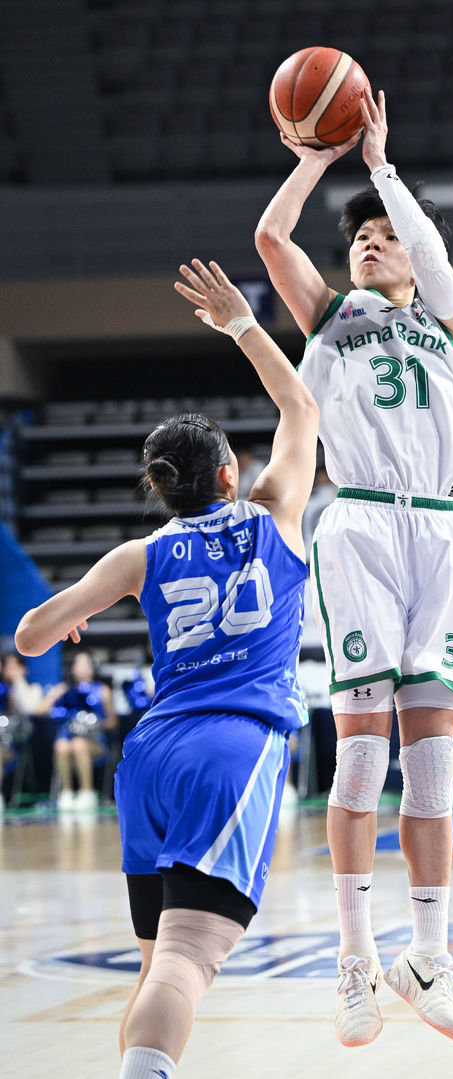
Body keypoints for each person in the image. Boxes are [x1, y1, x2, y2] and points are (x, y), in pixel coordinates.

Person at [15, 260, 319, 1079]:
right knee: (188, 961)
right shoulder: (274, 515)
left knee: (157, 964)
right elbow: (301, 405)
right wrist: (240, 324)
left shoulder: (140, 554)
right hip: (233, 746)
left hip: (150, 755)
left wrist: (76, 614)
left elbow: (31, 635)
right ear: (230, 475)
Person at [255, 87, 453, 1045]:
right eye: (361, 239)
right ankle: (353, 960)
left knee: (436, 770)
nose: (371, 245)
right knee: (359, 751)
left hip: (440, 528)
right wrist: (315, 152)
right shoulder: (331, 317)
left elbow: (429, 257)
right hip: (360, 527)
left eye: (384, 235)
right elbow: (271, 240)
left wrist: (383, 165)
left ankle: (425, 957)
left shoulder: (452, 318)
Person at [36, 649, 117, 811]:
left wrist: (93, 724)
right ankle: (66, 793)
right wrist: (54, 695)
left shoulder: (102, 690)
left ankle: (87, 792)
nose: (82, 668)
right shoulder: (65, 690)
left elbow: (112, 722)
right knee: (61, 745)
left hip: (95, 742)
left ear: (93, 668)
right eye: (78, 664)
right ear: (72, 668)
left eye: (86, 664)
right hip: (67, 738)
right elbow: (40, 710)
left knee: (79, 744)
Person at [0, 652, 42, 812]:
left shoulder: (31, 688)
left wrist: (18, 681)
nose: (10, 670)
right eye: (7, 666)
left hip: (14, 745)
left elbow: (29, 708)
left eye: (14, 666)